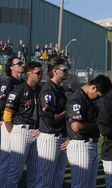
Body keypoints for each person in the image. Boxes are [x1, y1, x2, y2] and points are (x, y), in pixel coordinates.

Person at [66, 74, 112, 188]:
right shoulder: (78, 99)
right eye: (98, 95)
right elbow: (76, 126)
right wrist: (96, 124)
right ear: (93, 87)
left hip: (91, 144)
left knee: (90, 185)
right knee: (80, 185)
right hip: (81, 145)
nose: (98, 98)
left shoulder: (88, 99)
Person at [4, 61, 43, 188]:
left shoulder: (41, 91)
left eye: (41, 72)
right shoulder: (18, 91)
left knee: (34, 173)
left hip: (36, 133)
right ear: (29, 74)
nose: (41, 75)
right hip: (21, 130)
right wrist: (13, 133)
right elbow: (7, 116)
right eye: (38, 73)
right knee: (15, 171)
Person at [37, 57, 70, 188]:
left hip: (60, 137)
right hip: (50, 138)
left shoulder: (59, 89)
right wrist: (66, 112)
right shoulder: (48, 90)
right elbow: (49, 119)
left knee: (58, 180)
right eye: (65, 69)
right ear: (55, 71)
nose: (67, 71)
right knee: (45, 180)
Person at [0, 57, 25, 188]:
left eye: (22, 62)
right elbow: (2, 103)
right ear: (12, 67)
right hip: (8, 122)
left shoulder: (24, 82)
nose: (22, 65)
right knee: (6, 159)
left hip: (20, 124)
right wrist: (4, 118)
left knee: (15, 160)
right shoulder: (7, 82)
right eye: (19, 63)